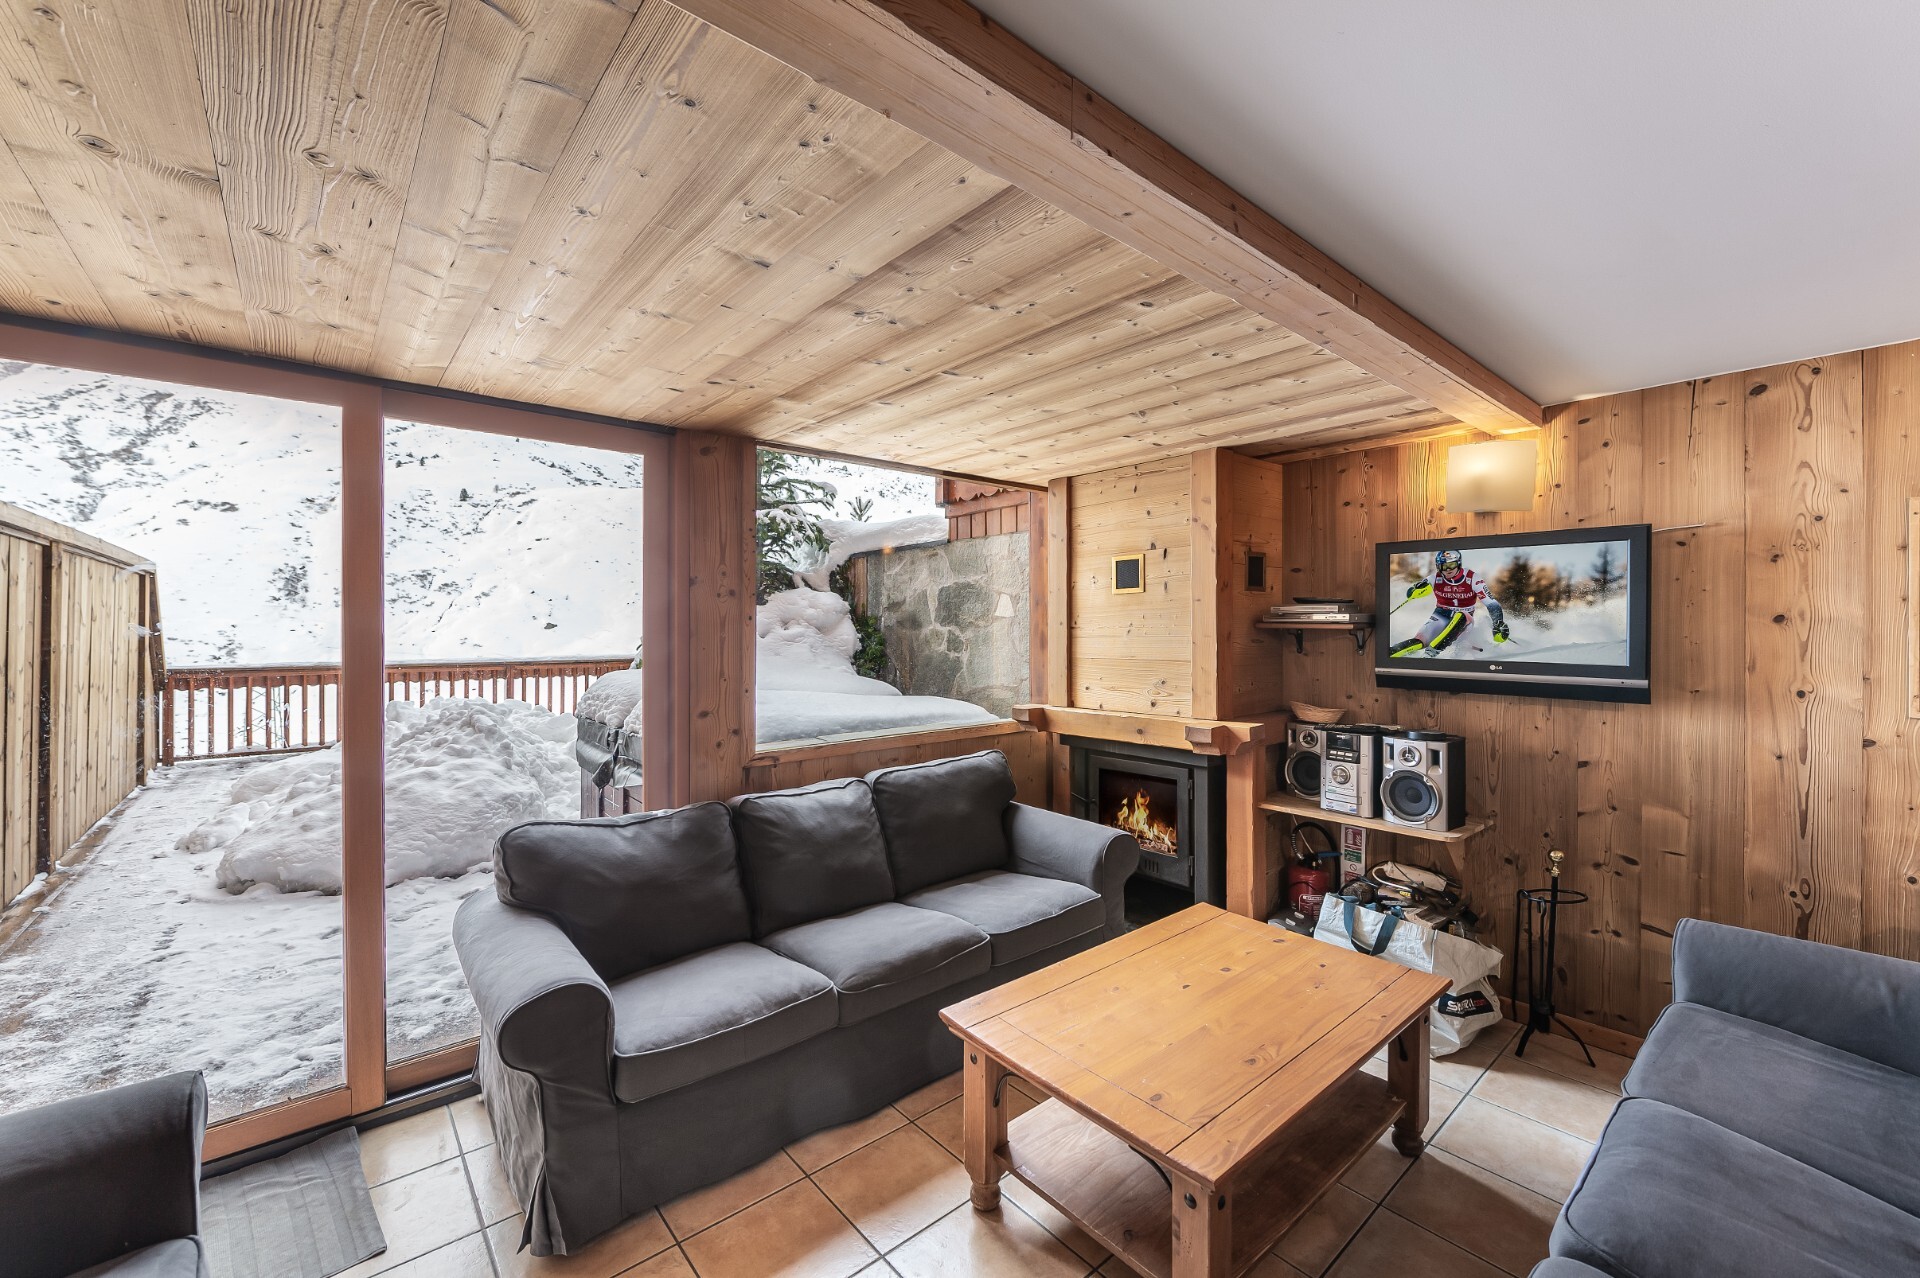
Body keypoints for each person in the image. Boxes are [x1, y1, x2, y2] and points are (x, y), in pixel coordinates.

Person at [1391, 548, 1508, 656]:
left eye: (1451, 565)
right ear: (1438, 567)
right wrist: (1415, 590)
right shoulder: (1434, 578)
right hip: (1441, 615)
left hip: (1465, 619)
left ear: (1458, 563)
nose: (1448, 570)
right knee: (1419, 640)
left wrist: (1498, 623)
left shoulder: (1472, 578)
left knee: (1461, 615)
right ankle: (1391, 653)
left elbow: (1491, 603)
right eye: (1443, 566)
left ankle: (1431, 652)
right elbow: (1410, 593)